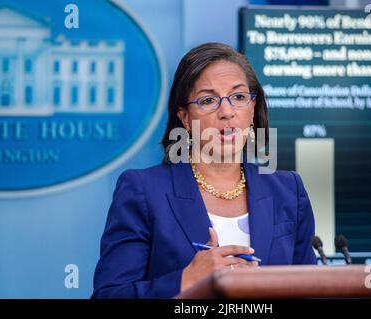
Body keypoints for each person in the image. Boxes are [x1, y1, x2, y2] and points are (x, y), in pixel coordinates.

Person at [92, 43, 317, 299]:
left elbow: (308, 288)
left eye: (239, 97)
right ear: (185, 118)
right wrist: (187, 280)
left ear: (252, 109)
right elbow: (109, 295)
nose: (227, 112)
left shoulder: (288, 189)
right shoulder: (143, 190)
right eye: (208, 100)